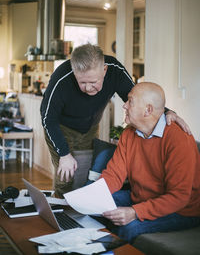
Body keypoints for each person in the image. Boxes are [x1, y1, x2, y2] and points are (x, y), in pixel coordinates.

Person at [40, 44, 190, 197]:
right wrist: (64, 155)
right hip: (61, 127)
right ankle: (60, 212)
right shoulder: (61, 79)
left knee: (86, 172)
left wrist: (167, 111)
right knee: (66, 176)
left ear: (104, 70)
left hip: (90, 126)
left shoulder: (114, 70)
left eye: (93, 82)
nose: (88, 88)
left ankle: (81, 211)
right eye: (82, 82)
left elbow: (138, 98)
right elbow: (47, 118)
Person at [101, 82, 200, 243]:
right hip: (143, 198)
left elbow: (179, 197)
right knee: (98, 207)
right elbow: (113, 175)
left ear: (148, 110)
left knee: (128, 228)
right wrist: (91, 195)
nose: (124, 106)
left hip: (182, 211)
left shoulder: (178, 138)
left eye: (130, 101)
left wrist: (134, 212)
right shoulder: (128, 134)